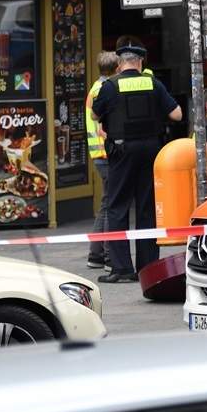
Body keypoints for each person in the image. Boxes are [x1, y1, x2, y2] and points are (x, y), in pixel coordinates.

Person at [90, 42, 184, 283]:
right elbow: (177, 114)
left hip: (121, 151)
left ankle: (122, 268)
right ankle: (148, 265)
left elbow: (94, 115)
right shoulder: (153, 83)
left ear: (120, 64)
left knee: (117, 206)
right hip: (150, 148)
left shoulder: (110, 85)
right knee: (146, 206)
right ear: (140, 62)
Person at [83, 51, 117, 268]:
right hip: (105, 154)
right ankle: (106, 254)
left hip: (99, 155)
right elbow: (103, 127)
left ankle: (96, 254)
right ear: (116, 69)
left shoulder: (96, 88)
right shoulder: (103, 91)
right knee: (111, 204)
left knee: (106, 203)